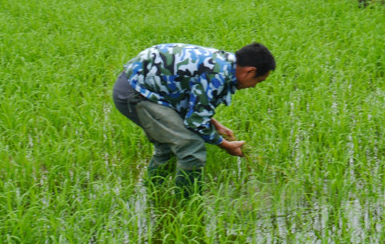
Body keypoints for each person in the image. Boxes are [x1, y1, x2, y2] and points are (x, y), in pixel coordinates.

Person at [112, 42, 275, 198]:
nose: (254, 86)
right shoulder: (217, 74)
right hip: (136, 92)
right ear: (249, 71)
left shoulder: (226, 64)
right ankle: (187, 204)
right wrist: (226, 145)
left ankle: (154, 191)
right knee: (191, 145)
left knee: (170, 143)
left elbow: (194, 104)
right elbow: (196, 122)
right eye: (258, 81)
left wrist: (217, 126)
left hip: (149, 89)